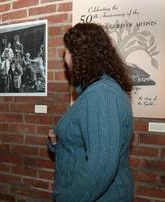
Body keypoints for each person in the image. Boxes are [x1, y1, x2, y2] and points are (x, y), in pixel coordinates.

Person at [48, 23, 134, 202]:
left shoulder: (101, 94)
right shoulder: (95, 92)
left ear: (80, 54)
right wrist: (57, 141)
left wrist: (68, 199)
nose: (65, 56)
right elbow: (83, 144)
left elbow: (101, 166)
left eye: (67, 50)